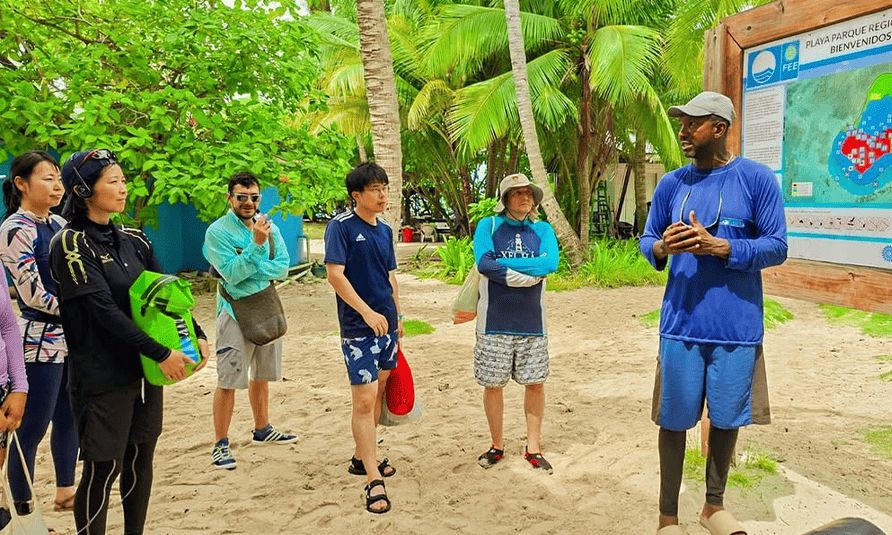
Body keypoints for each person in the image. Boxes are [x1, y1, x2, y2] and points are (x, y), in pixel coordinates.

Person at [638, 91, 787, 535]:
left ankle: (713, 507)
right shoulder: (671, 185)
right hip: (681, 323)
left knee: (725, 418)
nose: (682, 132)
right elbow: (647, 241)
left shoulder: (757, 180)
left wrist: (721, 246)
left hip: (736, 326)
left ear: (719, 128)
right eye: (681, 123)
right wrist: (664, 246)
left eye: (692, 124)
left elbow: (777, 246)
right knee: (673, 419)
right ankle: (668, 517)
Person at [50, 149, 209, 535]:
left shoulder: (134, 239)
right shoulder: (70, 244)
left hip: (145, 373)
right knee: (103, 466)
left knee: (141, 457)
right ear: (84, 189)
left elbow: (167, 294)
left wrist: (196, 336)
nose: (123, 189)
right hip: (102, 375)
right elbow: (101, 311)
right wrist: (160, 351)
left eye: (123, 180)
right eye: (113, 182)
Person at [0, 151, 78, 515]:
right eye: (47, 177)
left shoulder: (60, 224)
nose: (57, 185)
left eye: (58, 177)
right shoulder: (16, 228)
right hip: (40, 341)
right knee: (31, 427)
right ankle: (24, 508)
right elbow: (31, 292)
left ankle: (65, 491)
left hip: (72, 336)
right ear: (21, 183)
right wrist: (82, 308)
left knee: (69, 416)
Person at [203, 171, 296, 471]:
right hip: (234, 312)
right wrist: (257, 245)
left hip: (265, 307)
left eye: (253, 197)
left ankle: (263, 428)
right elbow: (230, 274)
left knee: (262, 375)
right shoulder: (217, 232)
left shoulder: (271, 226)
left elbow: (282, 267)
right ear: (229, 197)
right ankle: (220, 443)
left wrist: (249, 262)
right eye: (241, 197)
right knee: (229, 379)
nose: (248, 203)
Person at [324, 162, 403, 514]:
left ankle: (361, 458)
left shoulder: (384, 230)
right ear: (356, 195)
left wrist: (397, 317)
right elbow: (335, 276)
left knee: (380, 392)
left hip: (388, 328)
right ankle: (373, 478)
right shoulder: (339, 227)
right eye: (375, 189)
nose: (382, 194)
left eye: (384, 187)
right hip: (359, 330)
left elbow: (390, 277)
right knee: (365, 402)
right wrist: (367, 313)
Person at [472, 173, 559, 474]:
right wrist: (524, 275)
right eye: (516, 193)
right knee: (493, 385)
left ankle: (532, 448)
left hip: (533, 323)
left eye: (528, 193)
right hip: (494, 321)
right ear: (505, 199)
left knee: (535, 383)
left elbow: (550, 264)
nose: (524, 198)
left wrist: (504, 266)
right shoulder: (489, 226)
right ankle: (497, 445)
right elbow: (483, 263)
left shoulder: (543, 229)